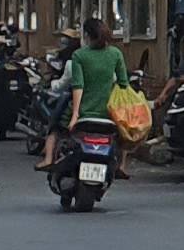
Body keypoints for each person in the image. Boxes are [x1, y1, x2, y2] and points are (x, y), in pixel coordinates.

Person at [56, 15, 131, 178]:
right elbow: (123, 84)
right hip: (110, 114)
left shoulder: (79, 55)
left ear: (86, 35)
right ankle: (122, 165)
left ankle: (51, 159)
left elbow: (78, 86)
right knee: (123, 136)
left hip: (84, 113)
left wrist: (75, 114)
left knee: (58, 126)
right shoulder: (116, 54)